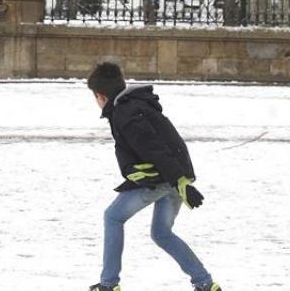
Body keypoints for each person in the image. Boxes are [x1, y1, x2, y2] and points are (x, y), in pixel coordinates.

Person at [86, 62, 221, 291]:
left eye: (94, 96)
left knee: (113, 217)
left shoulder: (126, 114)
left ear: (101, 96)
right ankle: (204, 283)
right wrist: (181, 180)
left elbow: (155, 148)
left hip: (162, 178)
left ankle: (108, 285)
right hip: (173, 176)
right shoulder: (135, 105)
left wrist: (179, 181)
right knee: (161, 233)